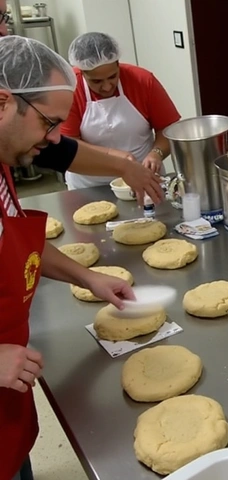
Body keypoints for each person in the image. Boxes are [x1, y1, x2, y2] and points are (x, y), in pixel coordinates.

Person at [0, 36, 163, 480]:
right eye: (49, 122)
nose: (56, 138)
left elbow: (15, 243)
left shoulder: (2, 160)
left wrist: (86, 277)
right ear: (2, 103)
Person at [60, 32, 181, 189]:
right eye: (96, 81)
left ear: (118, 64)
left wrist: (156, 153)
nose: (107, 87)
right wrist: (117, 158)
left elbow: (169, 128)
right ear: (81, 73)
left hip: (143, 178)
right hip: (89, 184)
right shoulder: (71, 89)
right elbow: (68, 144)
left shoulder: (142, 81)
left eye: (112, 77)